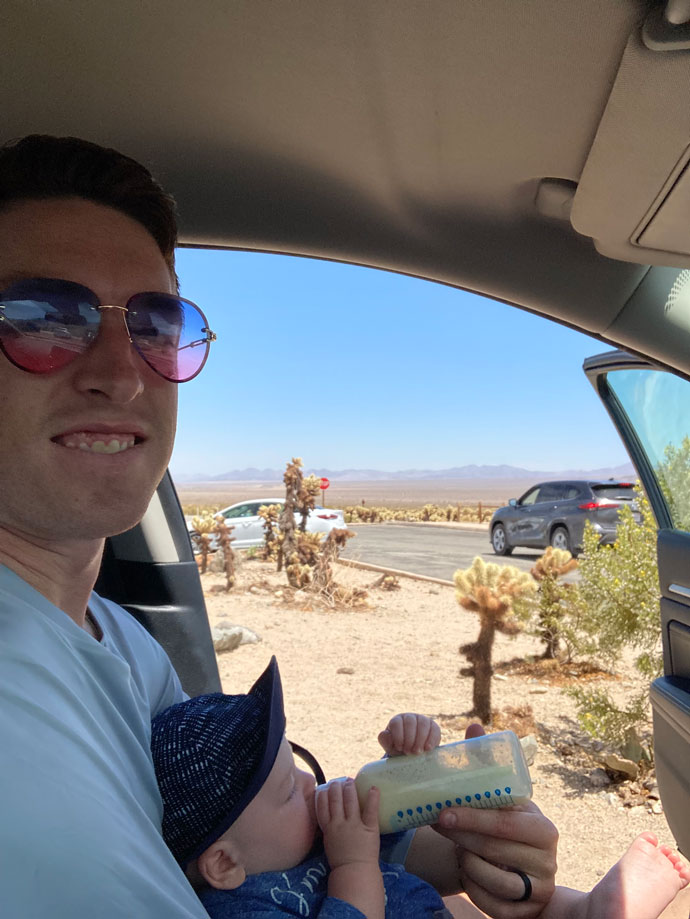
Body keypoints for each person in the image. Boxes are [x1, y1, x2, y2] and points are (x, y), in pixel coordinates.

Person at [0, 132, 585, 918]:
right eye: (43, 316)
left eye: (154, 327)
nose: (120, 373)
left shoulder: (117, 639)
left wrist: (470, 850)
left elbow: (241, 834)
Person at [151, 657, 690, 919]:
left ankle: (592, 908)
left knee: (492, 866)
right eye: (287, 793)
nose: (307, 781)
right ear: (224, 863)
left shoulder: (301, 840)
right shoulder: (246, 907)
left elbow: (396, 833)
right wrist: (353, 866)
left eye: (294, 764)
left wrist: (405, 766)